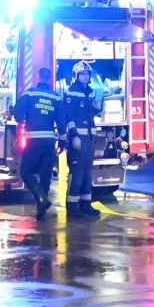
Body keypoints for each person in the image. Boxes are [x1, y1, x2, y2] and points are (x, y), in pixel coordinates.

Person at [13, 68, 62, 219]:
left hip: (33, 139)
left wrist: (22, 119)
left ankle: (41, 199)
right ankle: (41, 210)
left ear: (38, 77)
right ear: (49, 79)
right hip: (49, 140)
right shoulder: (56, 97)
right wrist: (63, 141)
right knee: (45, 175)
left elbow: (17, 112)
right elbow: (61, 120)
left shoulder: (30, 94)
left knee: (26, 172)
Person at [60, 64, 101, 219]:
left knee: (87, 173)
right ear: (76, 76)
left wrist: (97, 107)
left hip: (89, 138)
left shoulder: (89, 92)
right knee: (76, 173)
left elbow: (92, 114)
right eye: (82, 74)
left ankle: (86, 204)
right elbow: (67, 115)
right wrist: (74, 135)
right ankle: (72, 206)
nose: (85, 77)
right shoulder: (72, 92)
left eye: (87, 74)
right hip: (78, 138)